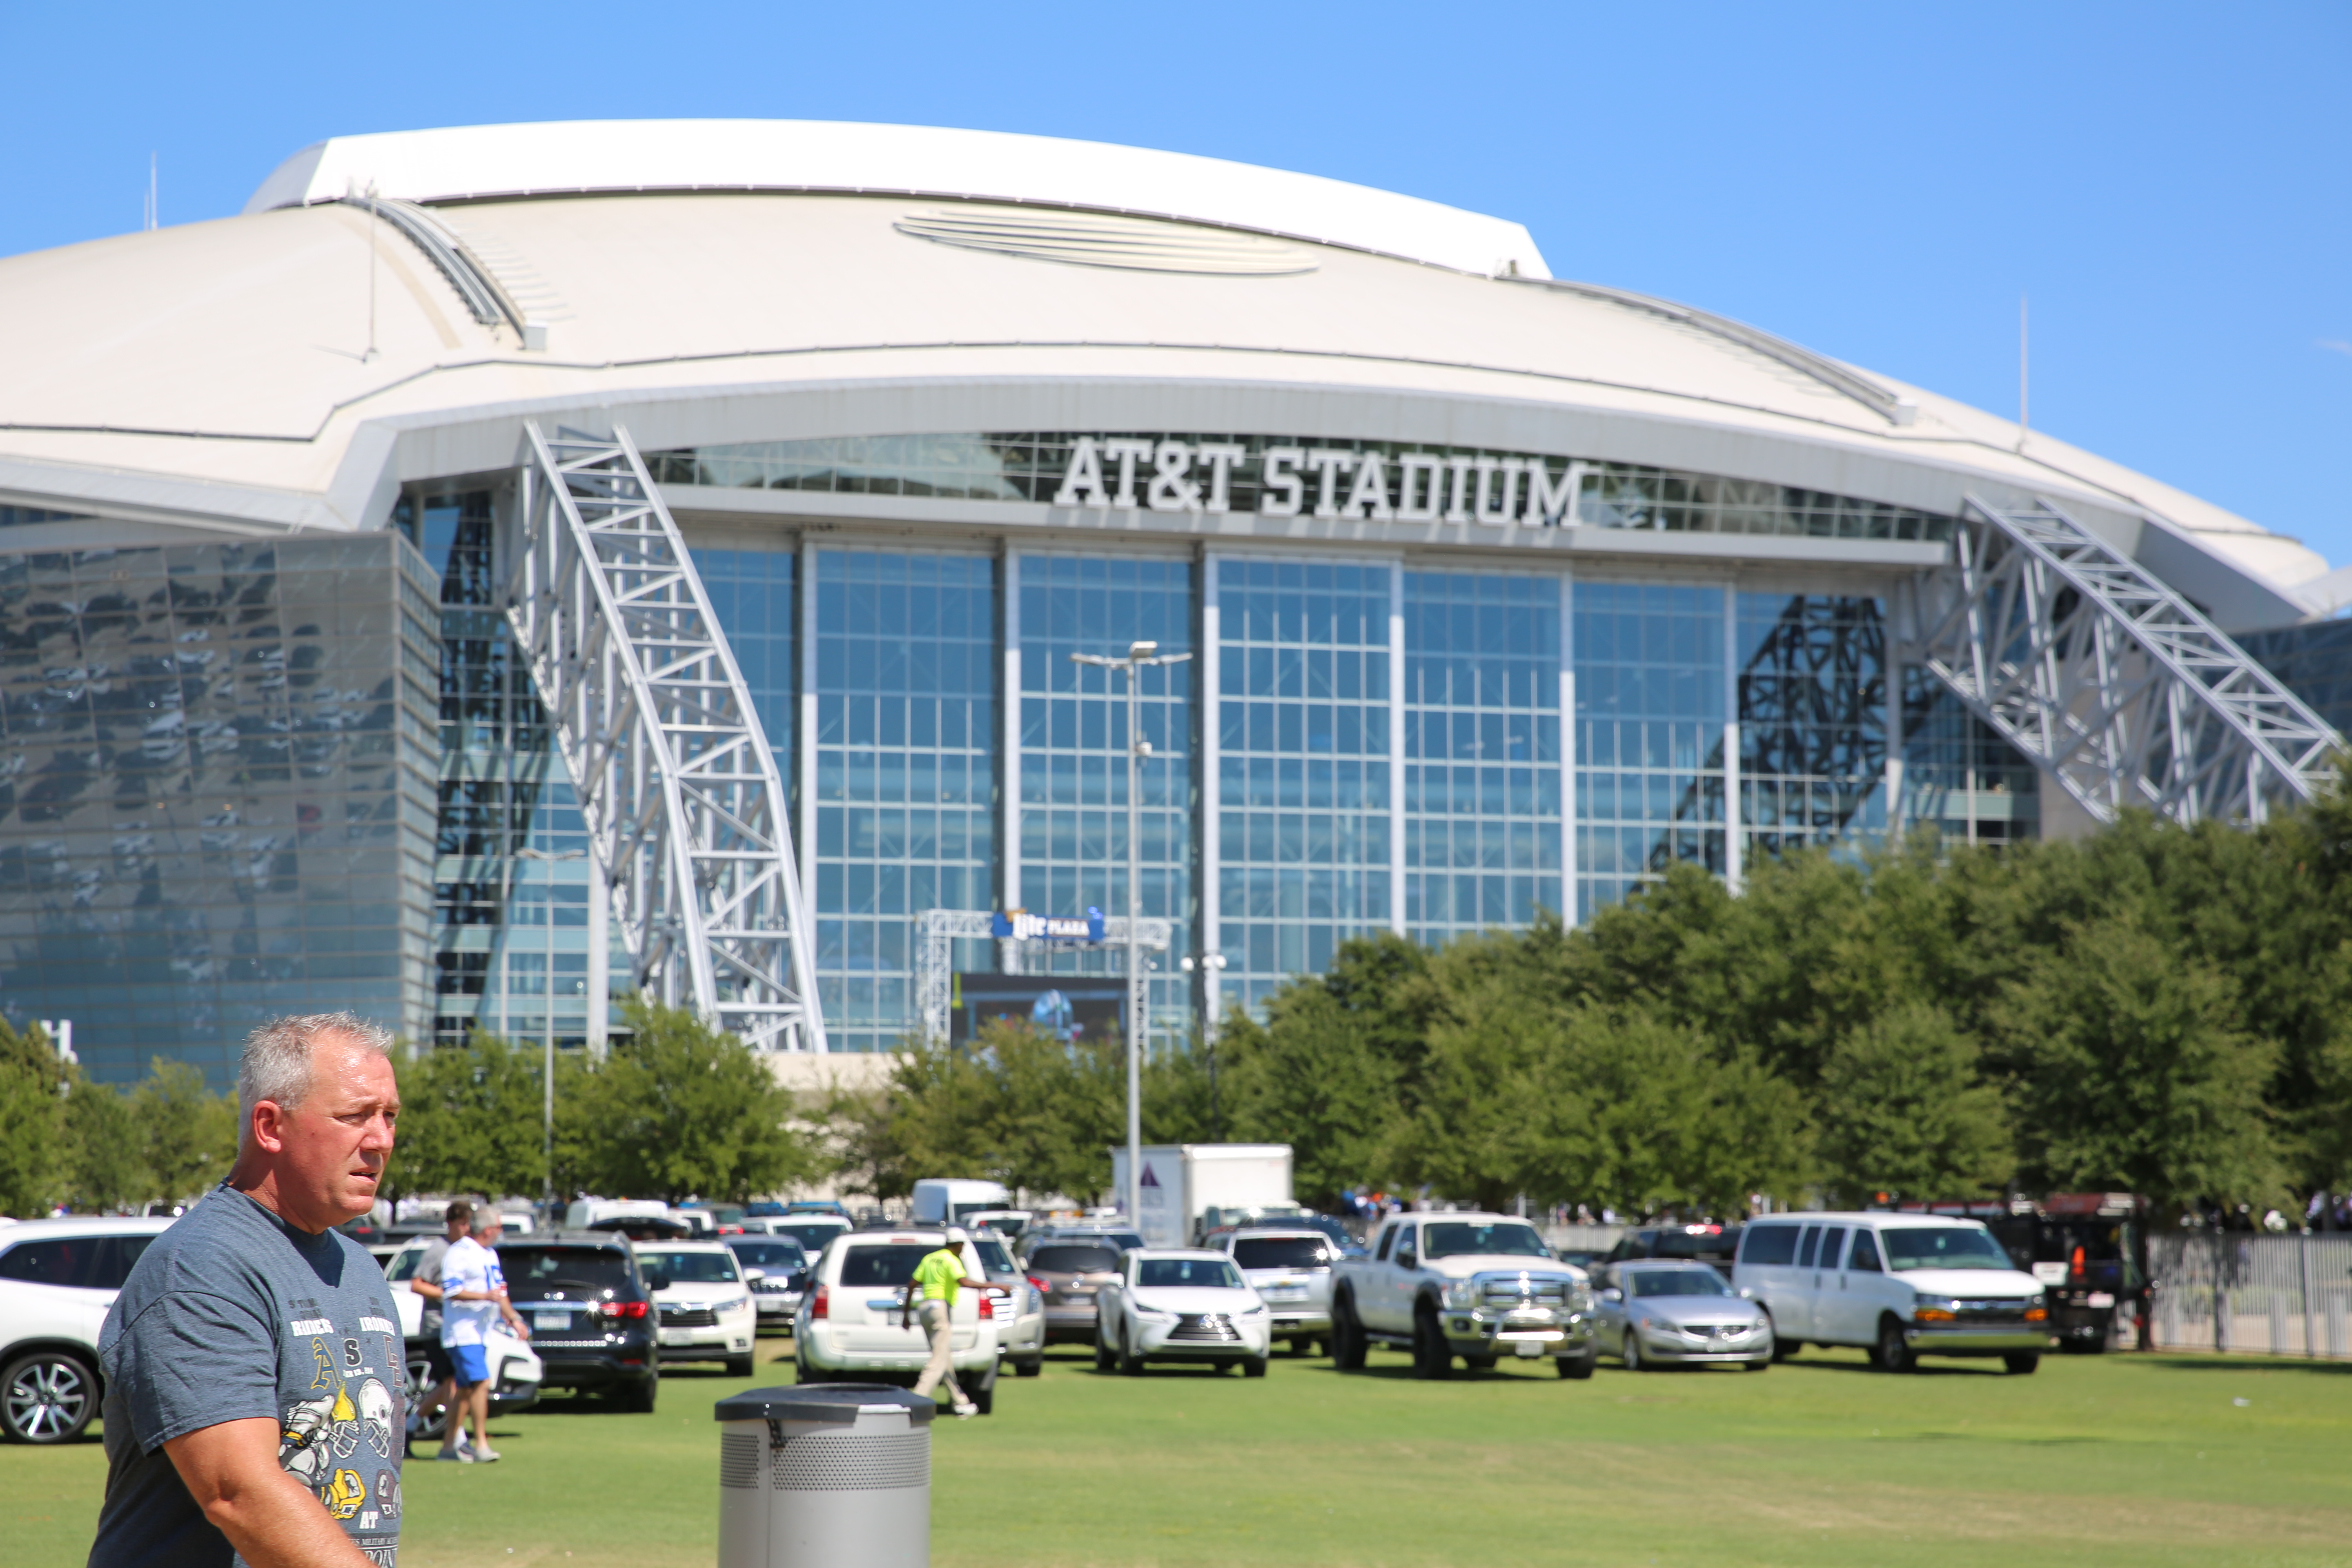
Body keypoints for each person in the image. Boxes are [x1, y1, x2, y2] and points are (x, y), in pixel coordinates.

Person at [91, 1013, 405, 1568]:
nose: (380, 1140)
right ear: (269, 1126)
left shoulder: (360, 1268)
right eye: (356, 1116)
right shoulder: (201, 1269)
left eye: (389, 1116)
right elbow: (239, 1494)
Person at [434, 1205, 526, 1463]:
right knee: (481, 1384)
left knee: (465, 1391)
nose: (500, 1232)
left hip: (482, 1332)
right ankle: (481, 1444)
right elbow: (451, 1291)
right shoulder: (460, 1252)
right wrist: (484, 1296)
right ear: (488, 1229)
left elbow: (500, 1293)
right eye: (498, 1227)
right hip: (463, 1333)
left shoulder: (490, 1255)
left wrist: (514, 1318)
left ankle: (449, 1447)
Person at [404, 1201, 474, 1453]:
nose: (466, 1229)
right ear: (451, 1224)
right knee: (454, 1383)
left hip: (458, 1329)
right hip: (437, 1328)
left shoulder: (466, 1251)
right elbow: (417, 1284)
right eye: (462, 1224)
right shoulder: (438, 1250)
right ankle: (458, 1440)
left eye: (469, 1224)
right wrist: (447, 1295)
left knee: (451, 1384)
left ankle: (410, 1426)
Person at [909, 1227, 987, 1419]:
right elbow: (965, 1282)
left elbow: (912, 1284)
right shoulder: (952, 1260)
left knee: (944, 1356)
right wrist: (997, 1286)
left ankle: (961, 1402)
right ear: (959, 1245)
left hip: (924, 1308)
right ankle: (915, 1403)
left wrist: (905, 1315)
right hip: (939, 1309)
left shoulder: (930, 1258)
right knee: (937, 1360)